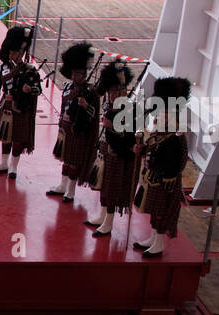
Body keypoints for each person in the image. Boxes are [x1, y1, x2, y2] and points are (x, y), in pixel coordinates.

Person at [133, 76, 192, 258]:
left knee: (161, 213)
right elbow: (152, 149)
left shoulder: (175, 136)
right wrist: (141, 149)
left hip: (165, 180)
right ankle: (152, 239)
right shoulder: (160, 133)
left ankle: (158, 244)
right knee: (154, 211)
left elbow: (179, 160)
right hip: (153, 176)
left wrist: (169, 176)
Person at [85, 60, 138, 237]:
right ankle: (102, 216)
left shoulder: (130, 109)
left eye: (118, 91)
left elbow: (129, 136)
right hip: (106, 151)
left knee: (112, 190)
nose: (115, 94)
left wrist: (111, 126)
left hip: (118, 155)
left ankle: (108, 222)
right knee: (103, 186)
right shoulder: (110, 105)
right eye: (112, 91)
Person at [47, 43, 99, 204]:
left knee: (74, 161)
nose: (76, 76)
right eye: (75, 73)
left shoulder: (91, 91)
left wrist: (85, 106)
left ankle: (70, 191)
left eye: (80, 74)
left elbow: (94, 114)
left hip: (79, 129)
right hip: (66, 127)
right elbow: (64, 103)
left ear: (84, 74)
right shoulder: (69, 86)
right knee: (66, 158)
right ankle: (62, 185)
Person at [0, 25, 41, 178]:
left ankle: (14, 167)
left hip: (21, 107)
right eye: (11, 51)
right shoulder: (5, 67)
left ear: (22, 52)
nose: (12, 54)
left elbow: (38, 90)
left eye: (16, 52)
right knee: (5, 136)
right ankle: (4, 163)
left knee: (18, 139)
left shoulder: (30, 70)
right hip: (7, 105)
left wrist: (29, 90)